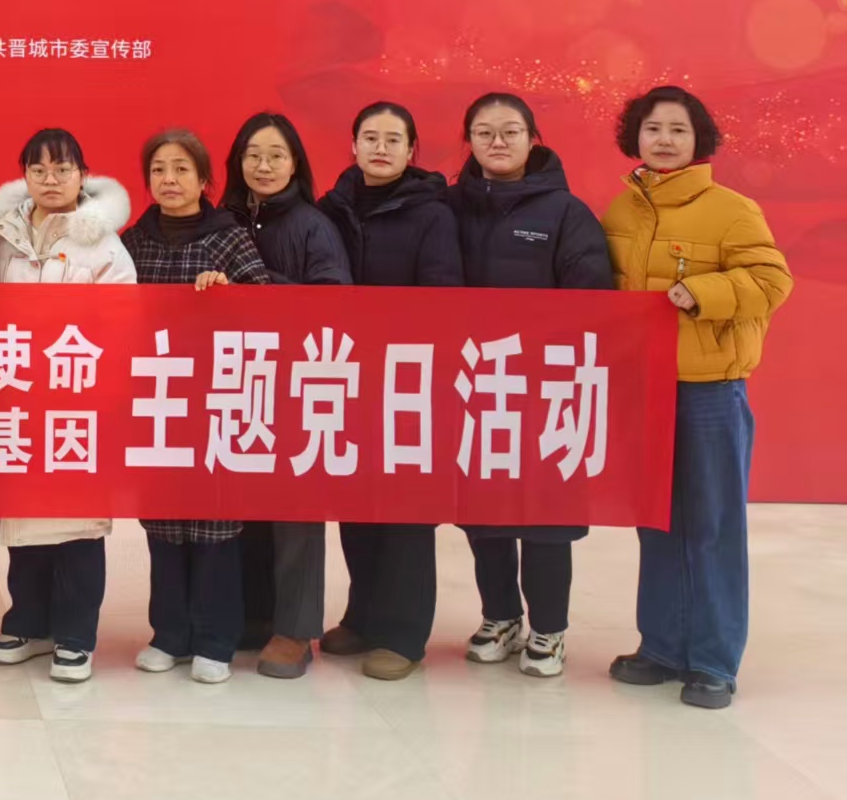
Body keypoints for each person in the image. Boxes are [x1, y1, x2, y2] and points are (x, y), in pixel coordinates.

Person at [602, 86, 792, 709]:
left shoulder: (731, 209)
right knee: (656, 523)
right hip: (644, 390)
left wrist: (705, 294)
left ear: (699, 140)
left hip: (710, 391)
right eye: (653, 128)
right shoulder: (620, 211)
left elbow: (772, 280)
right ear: (635, 137)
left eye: (678, 130)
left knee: (711, 526)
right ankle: (660, 648)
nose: (664, 140)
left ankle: (713, 661)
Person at [445, 92, 612, 680]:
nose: (497, 142)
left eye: (510, 131)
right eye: (484, 132)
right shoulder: (448, 208)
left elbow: (592, 299)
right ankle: (500, 616)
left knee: (546, 518)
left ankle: (549, 627)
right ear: (468, 140)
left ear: (532, 138)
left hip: (544, 390)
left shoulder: (566, 213)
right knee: (482, 511)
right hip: (474, 385)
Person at [0, 128, 135, 684]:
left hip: (77, 401)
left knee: (76, 526)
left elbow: (121, 326)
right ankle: (28, 621)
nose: (51, 180)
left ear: (82, 175)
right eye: (39, 170)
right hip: (18, 400)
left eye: (63, 169)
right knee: (26, 521)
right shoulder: (3, 238)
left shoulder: (104, 243)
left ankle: (74, 635)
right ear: (24, 175)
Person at [316, 101, 463, 680]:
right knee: (356, 503)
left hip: (409, 379)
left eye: (393, 139)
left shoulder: (433, 213)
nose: (381, 148)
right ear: (353, 145)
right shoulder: (331, 207)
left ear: (411, 150)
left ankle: (403, 635)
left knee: (405, 509)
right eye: (370, 137)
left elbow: (443, 296)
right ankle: (363, 614)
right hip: (346, 374)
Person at [120, 129, 269, 684]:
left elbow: (267, 307)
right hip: (156, 401)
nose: (170, 180)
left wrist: (228, 292)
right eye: (159, 169)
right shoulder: (133, 241)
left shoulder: (228, 237)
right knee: (162, 527)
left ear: (204, 179)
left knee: (214, 528)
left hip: (215, 401)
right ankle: (169, 635)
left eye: (182, 169)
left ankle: (214, 640)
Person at [221, 112, 350, 679]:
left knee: (296, 510)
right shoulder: (223, 219)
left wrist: (258, 286)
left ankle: (296, 630)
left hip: (298, 383)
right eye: (253, 154)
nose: (264, 165)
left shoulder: (312, 225)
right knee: (243, 505)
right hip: (236, 382)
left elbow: (334, 301)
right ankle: (254, 615)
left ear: (295, 162)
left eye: (275, 155)